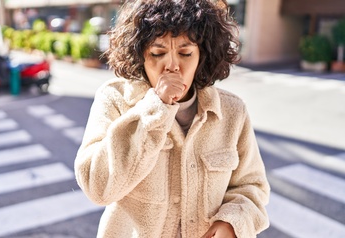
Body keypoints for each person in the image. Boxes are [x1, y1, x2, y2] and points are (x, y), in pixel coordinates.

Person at [74, 0, 270, 237]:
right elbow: (97, 187)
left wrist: (232, 222)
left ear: (203, 55)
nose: (172, 66)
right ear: (140, 56)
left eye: (185, 53)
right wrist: (156, 109)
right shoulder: (115, 99)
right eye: (158, 53)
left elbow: (252, 187)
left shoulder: (233, 111)